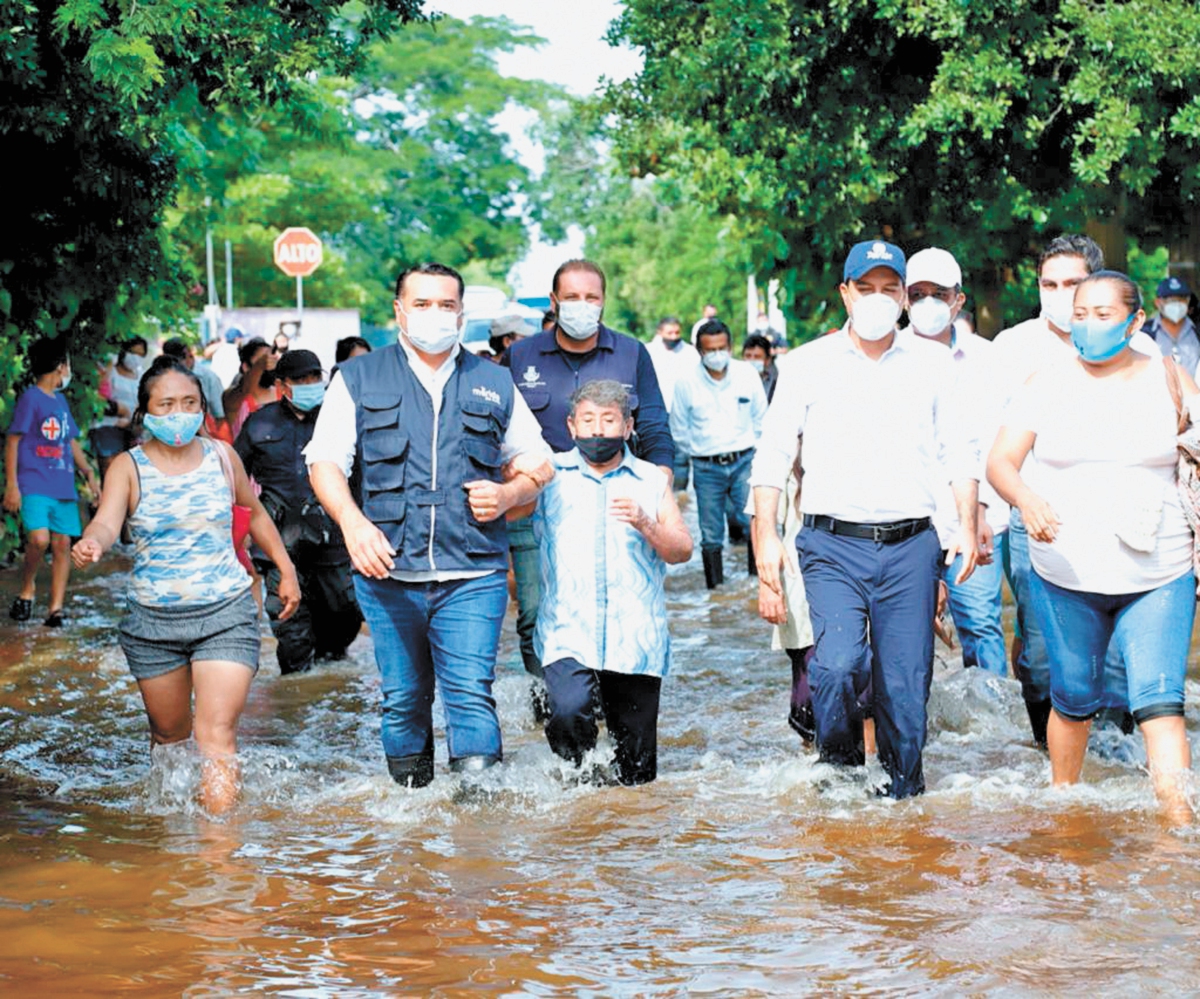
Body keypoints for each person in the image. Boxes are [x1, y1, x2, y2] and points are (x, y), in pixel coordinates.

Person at [307, 262, 554, 787]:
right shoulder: (357, 378)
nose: (435, 315)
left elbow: (541, 463)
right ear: (398, 310)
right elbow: (325, 461)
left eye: (446, 305)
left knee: (469, 695)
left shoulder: (494, 380)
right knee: (402, 702)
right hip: (387, 575)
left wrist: (509, 492)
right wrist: (353, 524)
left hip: (473, 573)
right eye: (422, 304)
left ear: (462, 313)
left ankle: (476, 835)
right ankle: (411, 826)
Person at [752, 240, 979, 799]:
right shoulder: (805, 364)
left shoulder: (934, 364)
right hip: (831, 545)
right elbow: (774, 456)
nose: (879, 299)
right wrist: (764, 540)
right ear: (845, 293)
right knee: (835, 668)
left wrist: (967, 528)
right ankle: (841, 776)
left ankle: (904, 803)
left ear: (904, 296)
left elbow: (958, 452)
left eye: (890, 288)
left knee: (905, 691)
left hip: (911, 546)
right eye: (866, 287)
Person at [988, 270, 1196, 821]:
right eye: (1080, 314)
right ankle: (1065, 814)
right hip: (1067, 575)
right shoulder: (1046, 383)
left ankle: (1176, 829)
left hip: (1160, 571)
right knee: (1075, 700)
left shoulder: (1170, 379)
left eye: (1103, 316)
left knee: (1160, 703)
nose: (1087, 325)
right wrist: (1027, 500)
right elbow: (1000, 463)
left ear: (1133, 322)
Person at [72, 357, 300, 814]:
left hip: (226, 613)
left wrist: (285, 567)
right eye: (168, 404)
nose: (180, 413)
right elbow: (106, 522)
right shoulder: (126, 467)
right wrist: (90, 544)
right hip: (153, 623)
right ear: (146, 412)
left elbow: (253, 512)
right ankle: (172, 838)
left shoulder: (222, 455)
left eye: (190, 402)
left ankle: (216, 858)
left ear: (202, 406)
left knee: (216, 738)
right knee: (169, 738)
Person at [992, 235, 1144, 744]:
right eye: (1049, 285)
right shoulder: (1013, 348)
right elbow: (988, 443)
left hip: (1116, 518)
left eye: (1073, 284)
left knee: (1118, 652)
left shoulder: (1137, 346)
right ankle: (1047, 748)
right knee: (1039, 650)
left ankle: (1114, 757)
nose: (1061, 295)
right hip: (1036, 517)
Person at [503, 259, 674, 687]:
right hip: (537, 507)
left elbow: (653, 426)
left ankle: (600, 700)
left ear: (603, 302)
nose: (582, 306)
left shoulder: (632, 353)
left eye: (591, 298)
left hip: (615, 503)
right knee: (535, 613)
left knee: (616, 612)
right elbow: (495, 433)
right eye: (572, 297)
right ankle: (555, 705)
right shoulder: (519, 356)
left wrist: (662, 488)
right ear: (554, 301)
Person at [531, 380, 692, 784]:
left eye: (608, 420)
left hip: (634, 636)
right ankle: (579, 807)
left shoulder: (651, 480)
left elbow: (681, 550)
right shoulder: (548, 477)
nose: (598, 430)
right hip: (568, 629)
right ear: (571, 426)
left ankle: (624, 840)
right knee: (568, 712)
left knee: (637, 776)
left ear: (628, 426)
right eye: (588, 420)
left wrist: (645, 521)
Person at [905, 247, 1008, 676]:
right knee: (904, 631)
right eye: (918, 293)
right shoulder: (887, 359)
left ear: (958, 300)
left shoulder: (987, 361)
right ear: (904, 300)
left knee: (981, 625)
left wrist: (983, 513)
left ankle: (995, 738)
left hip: (976, 520)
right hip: (906, 525)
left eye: (939, 293)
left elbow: (996, 441)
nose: (928, 303)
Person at [235, 349, 363, 674]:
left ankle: (333, 679)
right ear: (282, 385)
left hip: (334, 539)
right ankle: (297, 695)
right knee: (291, 630)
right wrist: (238, 534)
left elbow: (362, 476)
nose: (309, 384)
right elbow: (234, 479)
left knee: (345, 615)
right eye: (300, 379)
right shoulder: (259, 423)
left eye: (314, 378)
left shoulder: (339, 420)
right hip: (279, 544)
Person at [4, 336, 101, 627]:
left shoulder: (60, 402)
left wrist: (89, 473)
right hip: (33, 482)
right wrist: (12, 485)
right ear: (60, 367)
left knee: (62, 544)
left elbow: (69, 441)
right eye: (66, 364)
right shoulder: (31, 398)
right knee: (39, 539)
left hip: (62, 486)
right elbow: (13, 440)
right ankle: (27, 587)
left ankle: (55, 609)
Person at [671, 319, 767, 587]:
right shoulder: (685, 382)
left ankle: (757, 587)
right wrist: (702, 451)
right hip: (706, 467)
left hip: (744, 461)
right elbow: (679, 429)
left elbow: (762, 417)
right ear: (699, 351)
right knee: (711, 533)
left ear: (730, 346)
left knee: (753, 524)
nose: (716, 355)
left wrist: (757, 453)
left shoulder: (747, 375)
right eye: (709, 350)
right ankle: (716, 592)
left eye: (721, 348)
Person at [644, 315, 698, 491]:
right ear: (660, 332)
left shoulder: (690, 353)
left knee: (680, 453)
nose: (674, 336)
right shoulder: (648, 351)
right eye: (669, 333)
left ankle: (679, 492)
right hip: (657, 409)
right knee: (655, 450)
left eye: (677, 332)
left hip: (683, 411)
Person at [222, 337, 278, 440]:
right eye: (262, 359)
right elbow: (245, 389)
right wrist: (259, 366)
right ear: (246, 366)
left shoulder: (282, 394)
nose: (268, 365)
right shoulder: (232, 397)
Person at [1143, 276, 1197, 374]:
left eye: (1181, 299)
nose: (1177, 304)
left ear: (1188, 301)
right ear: (1158, 302)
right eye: (1170, 300)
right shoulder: (1145, 334)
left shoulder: (1197, 331)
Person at [741, 333, 778, 402]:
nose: (752, 360)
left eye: (757, 357)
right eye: (748, 356)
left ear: (767, 360)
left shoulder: (776, 383)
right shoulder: (734, 380)